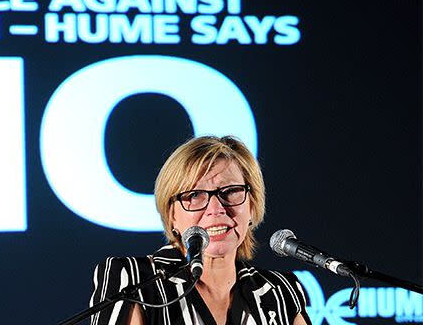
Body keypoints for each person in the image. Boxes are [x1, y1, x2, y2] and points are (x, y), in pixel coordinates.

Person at [89, 136, 311, 325]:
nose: (216, 209)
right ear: (172, 215)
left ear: (251, 206)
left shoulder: (280, 291)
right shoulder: (133, 279)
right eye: (194, 195)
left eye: (231, 191)